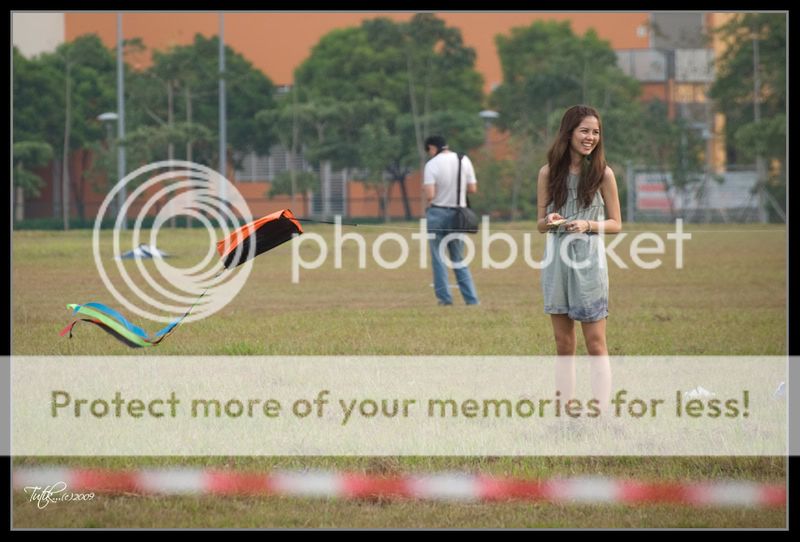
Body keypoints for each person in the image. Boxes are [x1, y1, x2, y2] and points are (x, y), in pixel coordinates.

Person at [536, 105, 622, 414]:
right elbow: (540, 223)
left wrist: (588, 225)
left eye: (596, 132)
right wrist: (552, 219)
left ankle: (600, 412)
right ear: (569, 132)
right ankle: (565, 411)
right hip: (557, 263)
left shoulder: (603, 174)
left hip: (589, 264)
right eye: (584, 131)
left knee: (596, 344)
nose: (590, 137)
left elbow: (616, 224)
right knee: (563, 344)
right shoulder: (548, 172)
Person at [423, 135, 480, 306]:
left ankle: (445, 299)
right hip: (458, 215)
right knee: (458, 259)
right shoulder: (463, 159)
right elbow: (472, 188)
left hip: (437, 214)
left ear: (432, 148)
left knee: (438, 258)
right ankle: (471, 300)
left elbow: (430, 195)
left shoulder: (431, 164)